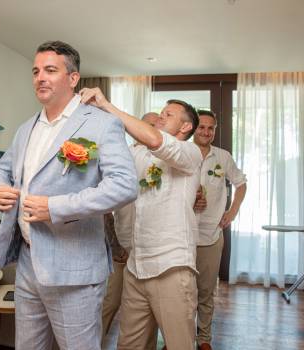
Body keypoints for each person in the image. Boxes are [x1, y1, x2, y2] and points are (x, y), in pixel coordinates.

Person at [0, 41, 137, 350]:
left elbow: (124, 185)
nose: (40, 77)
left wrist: (56, 207)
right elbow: (0, 170)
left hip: (75, 269)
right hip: (28, 262)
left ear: (73, 78)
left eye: (50, 70)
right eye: (36, 71)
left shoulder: (102, 124)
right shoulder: (26, 128)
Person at [80, 87, 201, 350]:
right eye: (160, 113)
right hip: (135, 267)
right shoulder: (138, 155)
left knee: (179, 345)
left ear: (185, 126)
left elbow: (156, 140)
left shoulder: (190, 154)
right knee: (129, 344)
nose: (160, 117)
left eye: (167, 114)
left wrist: (106, 105)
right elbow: (104, 165)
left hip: (171, 266)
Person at [100, 112, 160, 349]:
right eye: (150, 125)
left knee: (150, 310)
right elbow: (104, 207)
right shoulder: (120, 156)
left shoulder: (163, 158)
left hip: (150, 249)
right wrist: (115, 245)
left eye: (159, 126)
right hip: (121, 248)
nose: (155, 130)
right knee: (110, 302)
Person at [193, 110, 247, 350]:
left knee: (205, 293)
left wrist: (232, 212)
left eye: (210, 128)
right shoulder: (181, 152)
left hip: (211, 236)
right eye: (202, 127)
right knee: (181, 295)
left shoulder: (223, 157)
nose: (206, 132)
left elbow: (241, 184)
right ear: (193, 127)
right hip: (181, 235)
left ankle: (204, 338)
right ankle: (178, 339)